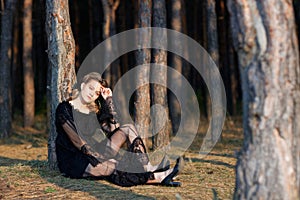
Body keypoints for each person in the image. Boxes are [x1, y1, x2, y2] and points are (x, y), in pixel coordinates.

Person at [55, 72, 183, 187]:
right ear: (83, 86)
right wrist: (99, 158)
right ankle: (158, 177)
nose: (92, 94)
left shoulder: (94, 112)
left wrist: (108, 100)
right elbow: (78, 141)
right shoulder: (64, 109)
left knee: (128, 128)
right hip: (74, 159)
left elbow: (114, 130)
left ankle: (148, 167)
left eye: (97, 93)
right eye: (91, 88)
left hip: (93, 151)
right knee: (114, 166)